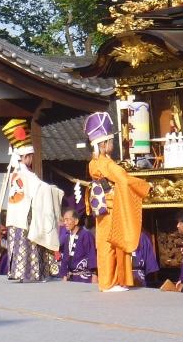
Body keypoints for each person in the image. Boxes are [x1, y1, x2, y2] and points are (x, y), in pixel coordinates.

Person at [85, 111, 150, 292]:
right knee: (111, 242)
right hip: (111, 205)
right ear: (103, 144)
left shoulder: (95, 162)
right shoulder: (106, 163)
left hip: (103, 204)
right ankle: (109, 282)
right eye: (111, 141)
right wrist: (145, 186)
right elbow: (124, 179)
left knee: (107, 241)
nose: (112, 145)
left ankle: (112, 281)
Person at [0, 120, 63, 282]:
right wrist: (55, 190)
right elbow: (41, 189)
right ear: (26, 156)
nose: (32, 159)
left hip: (14, 216)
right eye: (31, 156)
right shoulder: (27, 175)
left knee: (16, 244)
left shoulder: (14, 173)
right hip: (25, 216)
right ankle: (30, 273)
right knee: (29, 244)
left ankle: (16, 272)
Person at [61, 208, 97, 283]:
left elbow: (92, 254)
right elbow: (65, 258)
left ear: (76, 221)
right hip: (72, 278)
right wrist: (64, 275)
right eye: (64, 220)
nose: (65, 223)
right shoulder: (67, 237)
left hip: (85, 277)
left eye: (67, 220)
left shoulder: (86, 235)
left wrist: (94, 274)